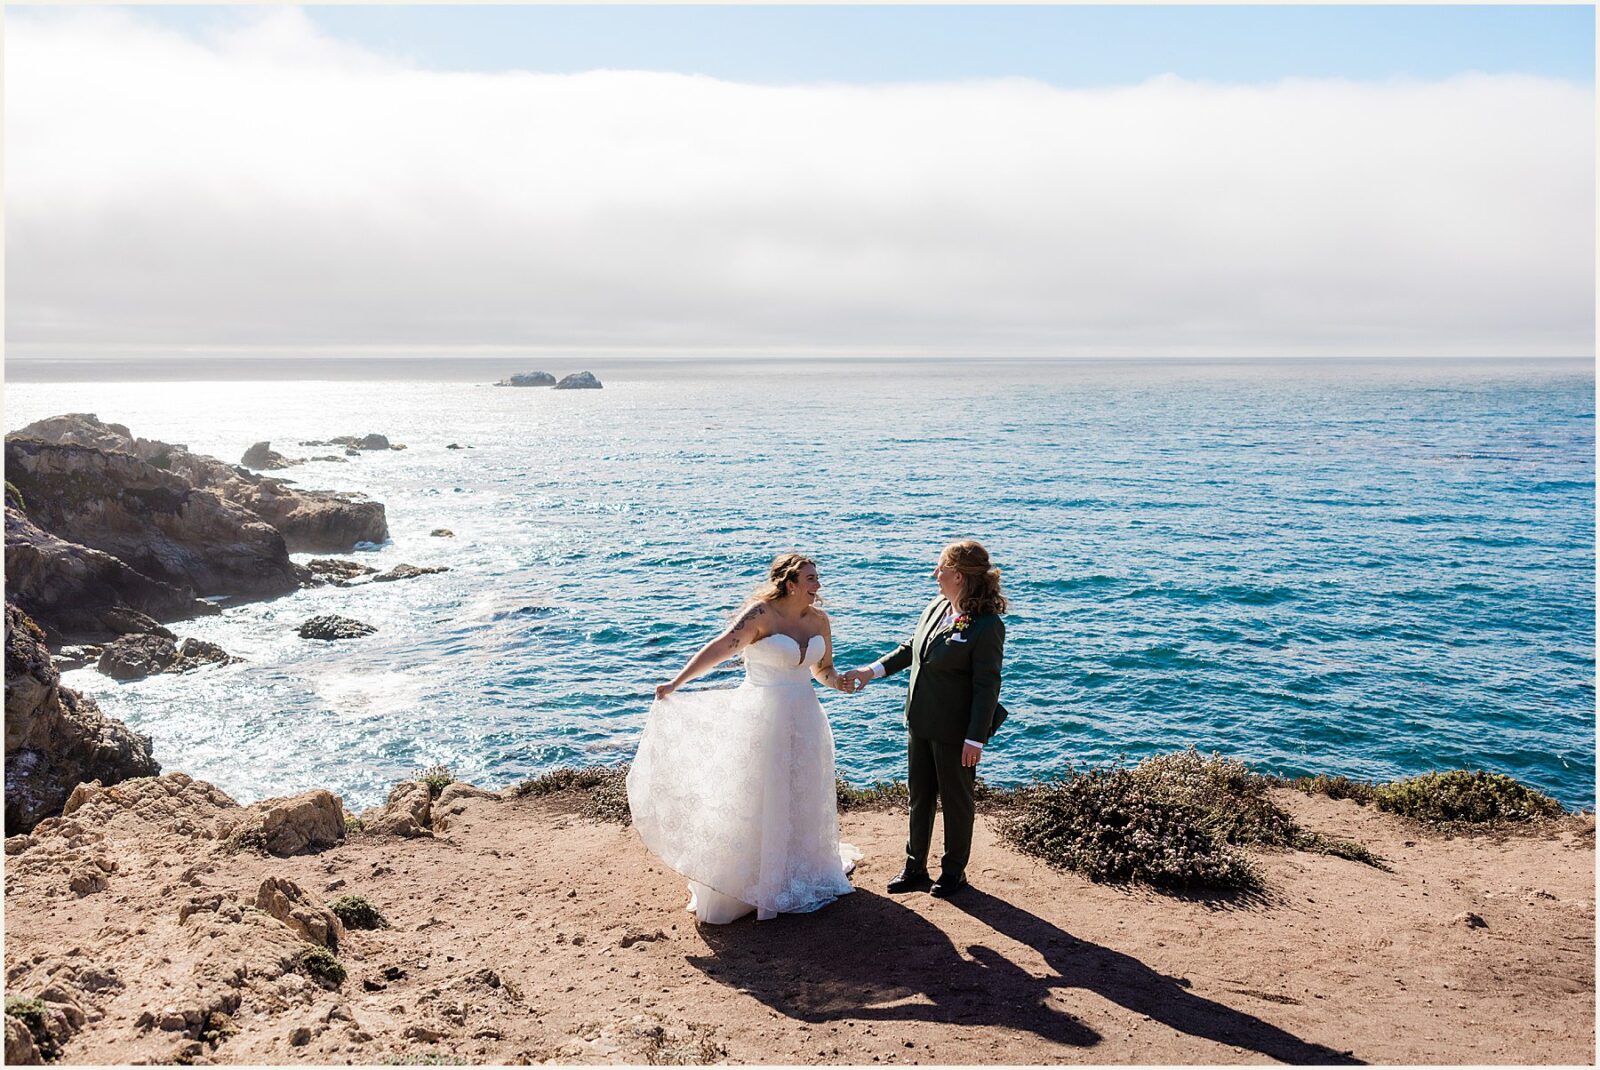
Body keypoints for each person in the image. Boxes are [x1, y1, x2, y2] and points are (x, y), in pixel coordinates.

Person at [627, 552, 862, 924]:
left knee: (799, 792)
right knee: (756, 793)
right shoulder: (760, 615)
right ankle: (750, 880)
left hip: (806, 717)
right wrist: (676, 682)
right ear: (791, 584)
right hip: (761, 716)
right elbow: (721, 648)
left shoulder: (819, 620)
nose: (818, 585)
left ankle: (796, 871)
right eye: (811, 579)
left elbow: (823, 669)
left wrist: (840, 683)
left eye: (816, 577)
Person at [843, 539, 1007, 899]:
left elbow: (987, 685)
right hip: (919, 721)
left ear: (959, 576)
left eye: (941, 569)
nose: (936, 574)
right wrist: (870, 672)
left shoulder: (987, 626)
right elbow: (910, 650)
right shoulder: (937, 606)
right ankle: (915, 865)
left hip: (955, 731)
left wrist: (975, 738)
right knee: (919, 796)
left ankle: (954, 872)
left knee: (956, 801)